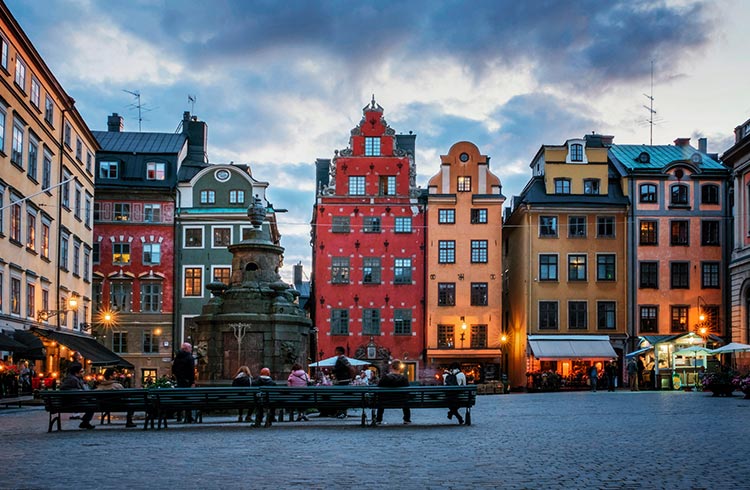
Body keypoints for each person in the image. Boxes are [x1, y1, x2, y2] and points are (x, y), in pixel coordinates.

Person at [376, 360, 411, 425]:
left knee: (381, 398)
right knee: (406, 399)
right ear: (400, 368)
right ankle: (407, 419)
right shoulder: (404, 379)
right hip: (401, 401)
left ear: (391, 367)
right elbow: (408, 390)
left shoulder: (385, 378)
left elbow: (378, 388)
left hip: (385, 401)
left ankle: (378, 419)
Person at [60, 364, 95, 429]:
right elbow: (64, 389)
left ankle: (85, 422)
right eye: (82, 371)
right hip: (72, 403)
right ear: (76, 373)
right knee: (92, 406)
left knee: (92, 404)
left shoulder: (76, 378)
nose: (83, 373)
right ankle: (85, 422)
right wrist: (80, 391)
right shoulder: (72, 379)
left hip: (75, 401)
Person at [172, 342, 196, 423]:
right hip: (187, 382)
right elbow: (191, 371)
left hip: (180, 381)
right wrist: (192, 382)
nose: (191, 349)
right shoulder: (189, 358)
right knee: (188, 398)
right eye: (190, 348)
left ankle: (179, 416)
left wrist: (178, 377)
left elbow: (174, 369)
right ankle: (189, 417)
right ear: (186, 349)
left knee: (180, 398)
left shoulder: (177, 357)